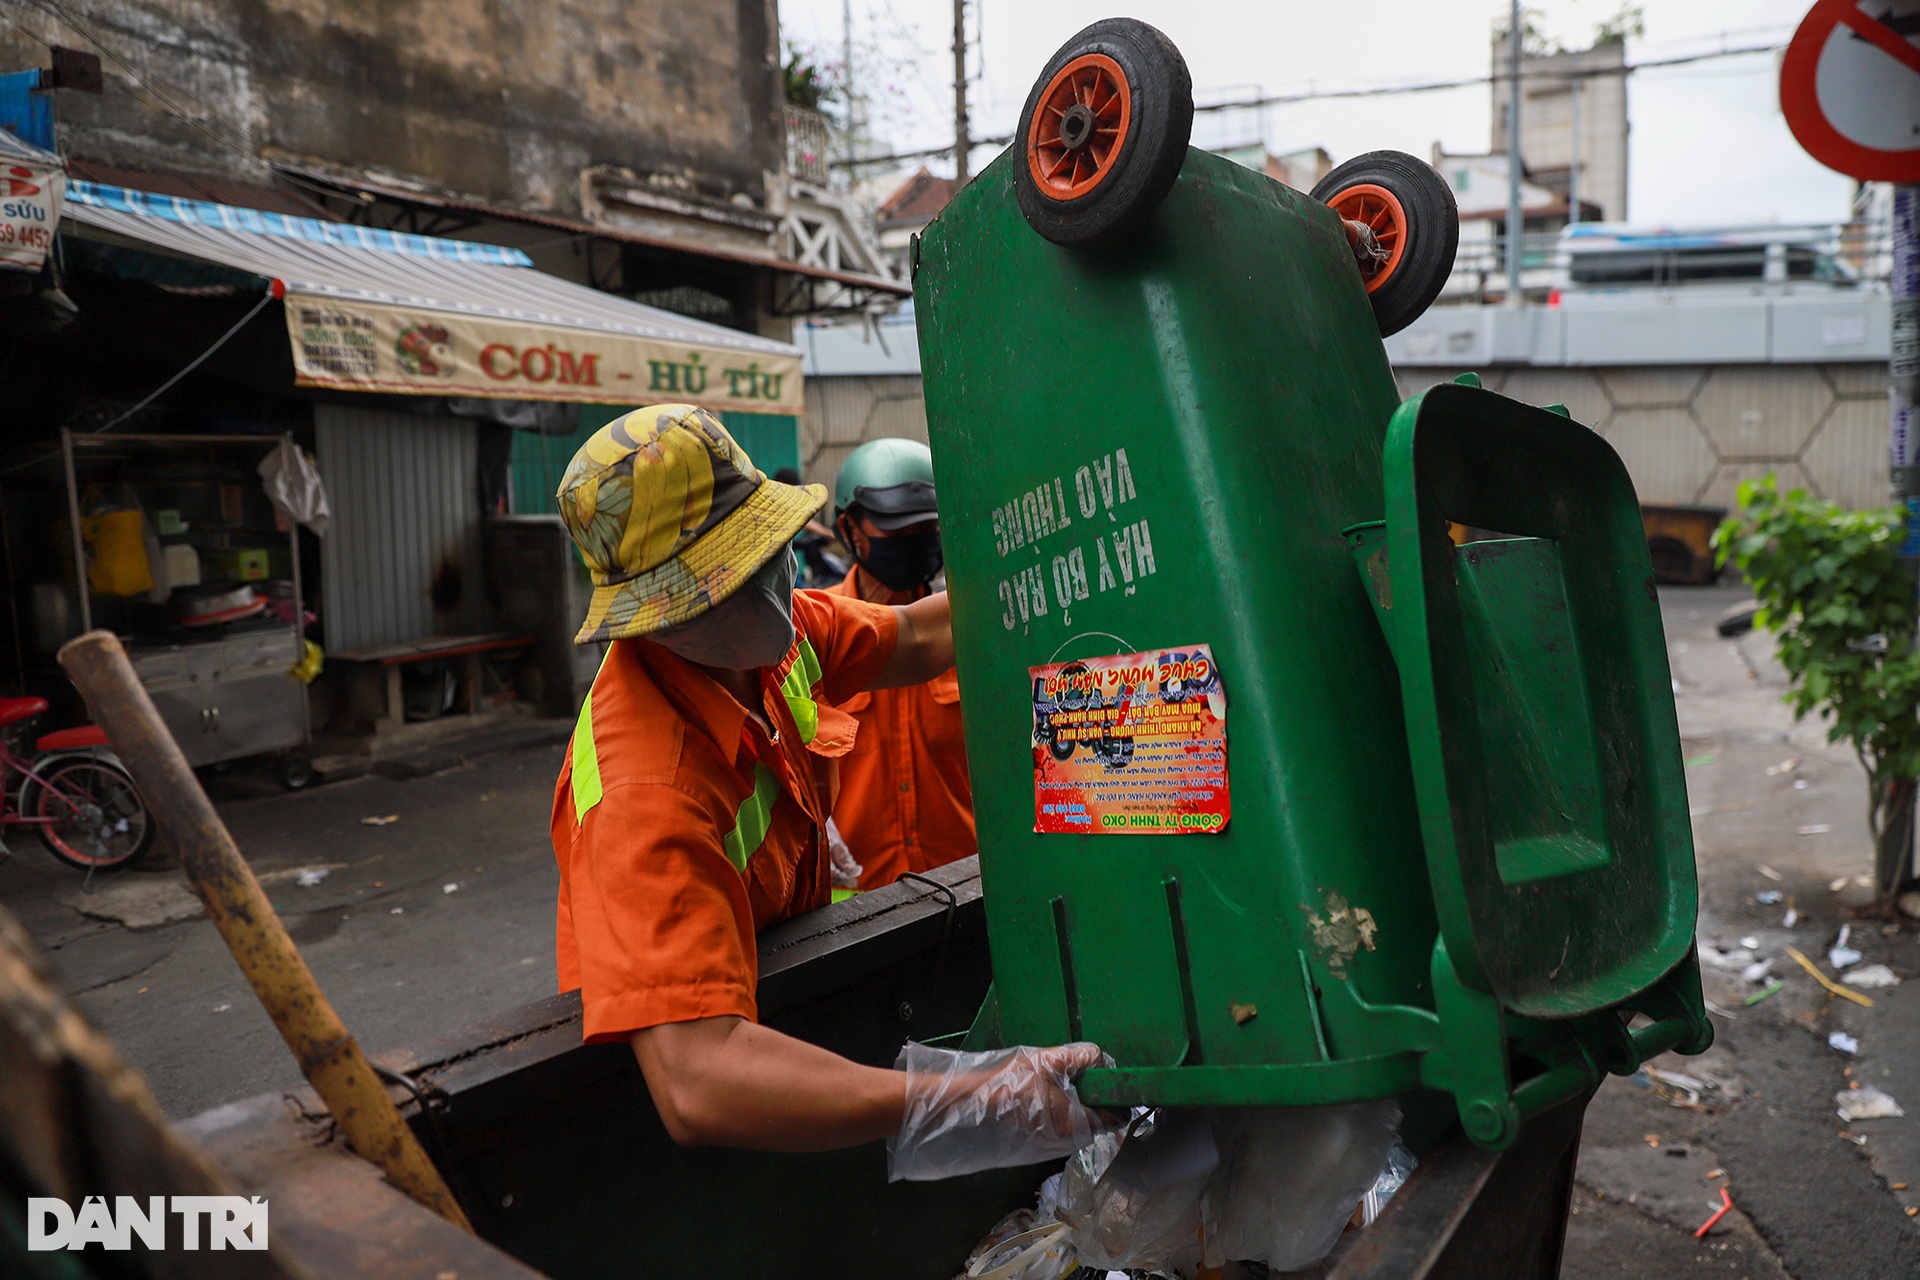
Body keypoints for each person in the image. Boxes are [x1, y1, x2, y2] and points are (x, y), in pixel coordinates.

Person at [548, 404, 1109, 1173]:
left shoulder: (770, 644)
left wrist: (1070, 578)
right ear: (655, 614)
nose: (767, 587)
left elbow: (914, 636)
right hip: (731, 1110)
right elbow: (698, 1081)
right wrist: (972, 1094)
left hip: (801, 995)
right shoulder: (642, 789)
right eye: (726, 579)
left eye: (765, 548)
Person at [824, 439, 976, 893]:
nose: (916, 543)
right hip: (855, 906)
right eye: (897, 530)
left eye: (927, 529)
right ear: (849, 529)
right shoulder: (815, 635)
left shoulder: (971, 624)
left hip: (968, 886)